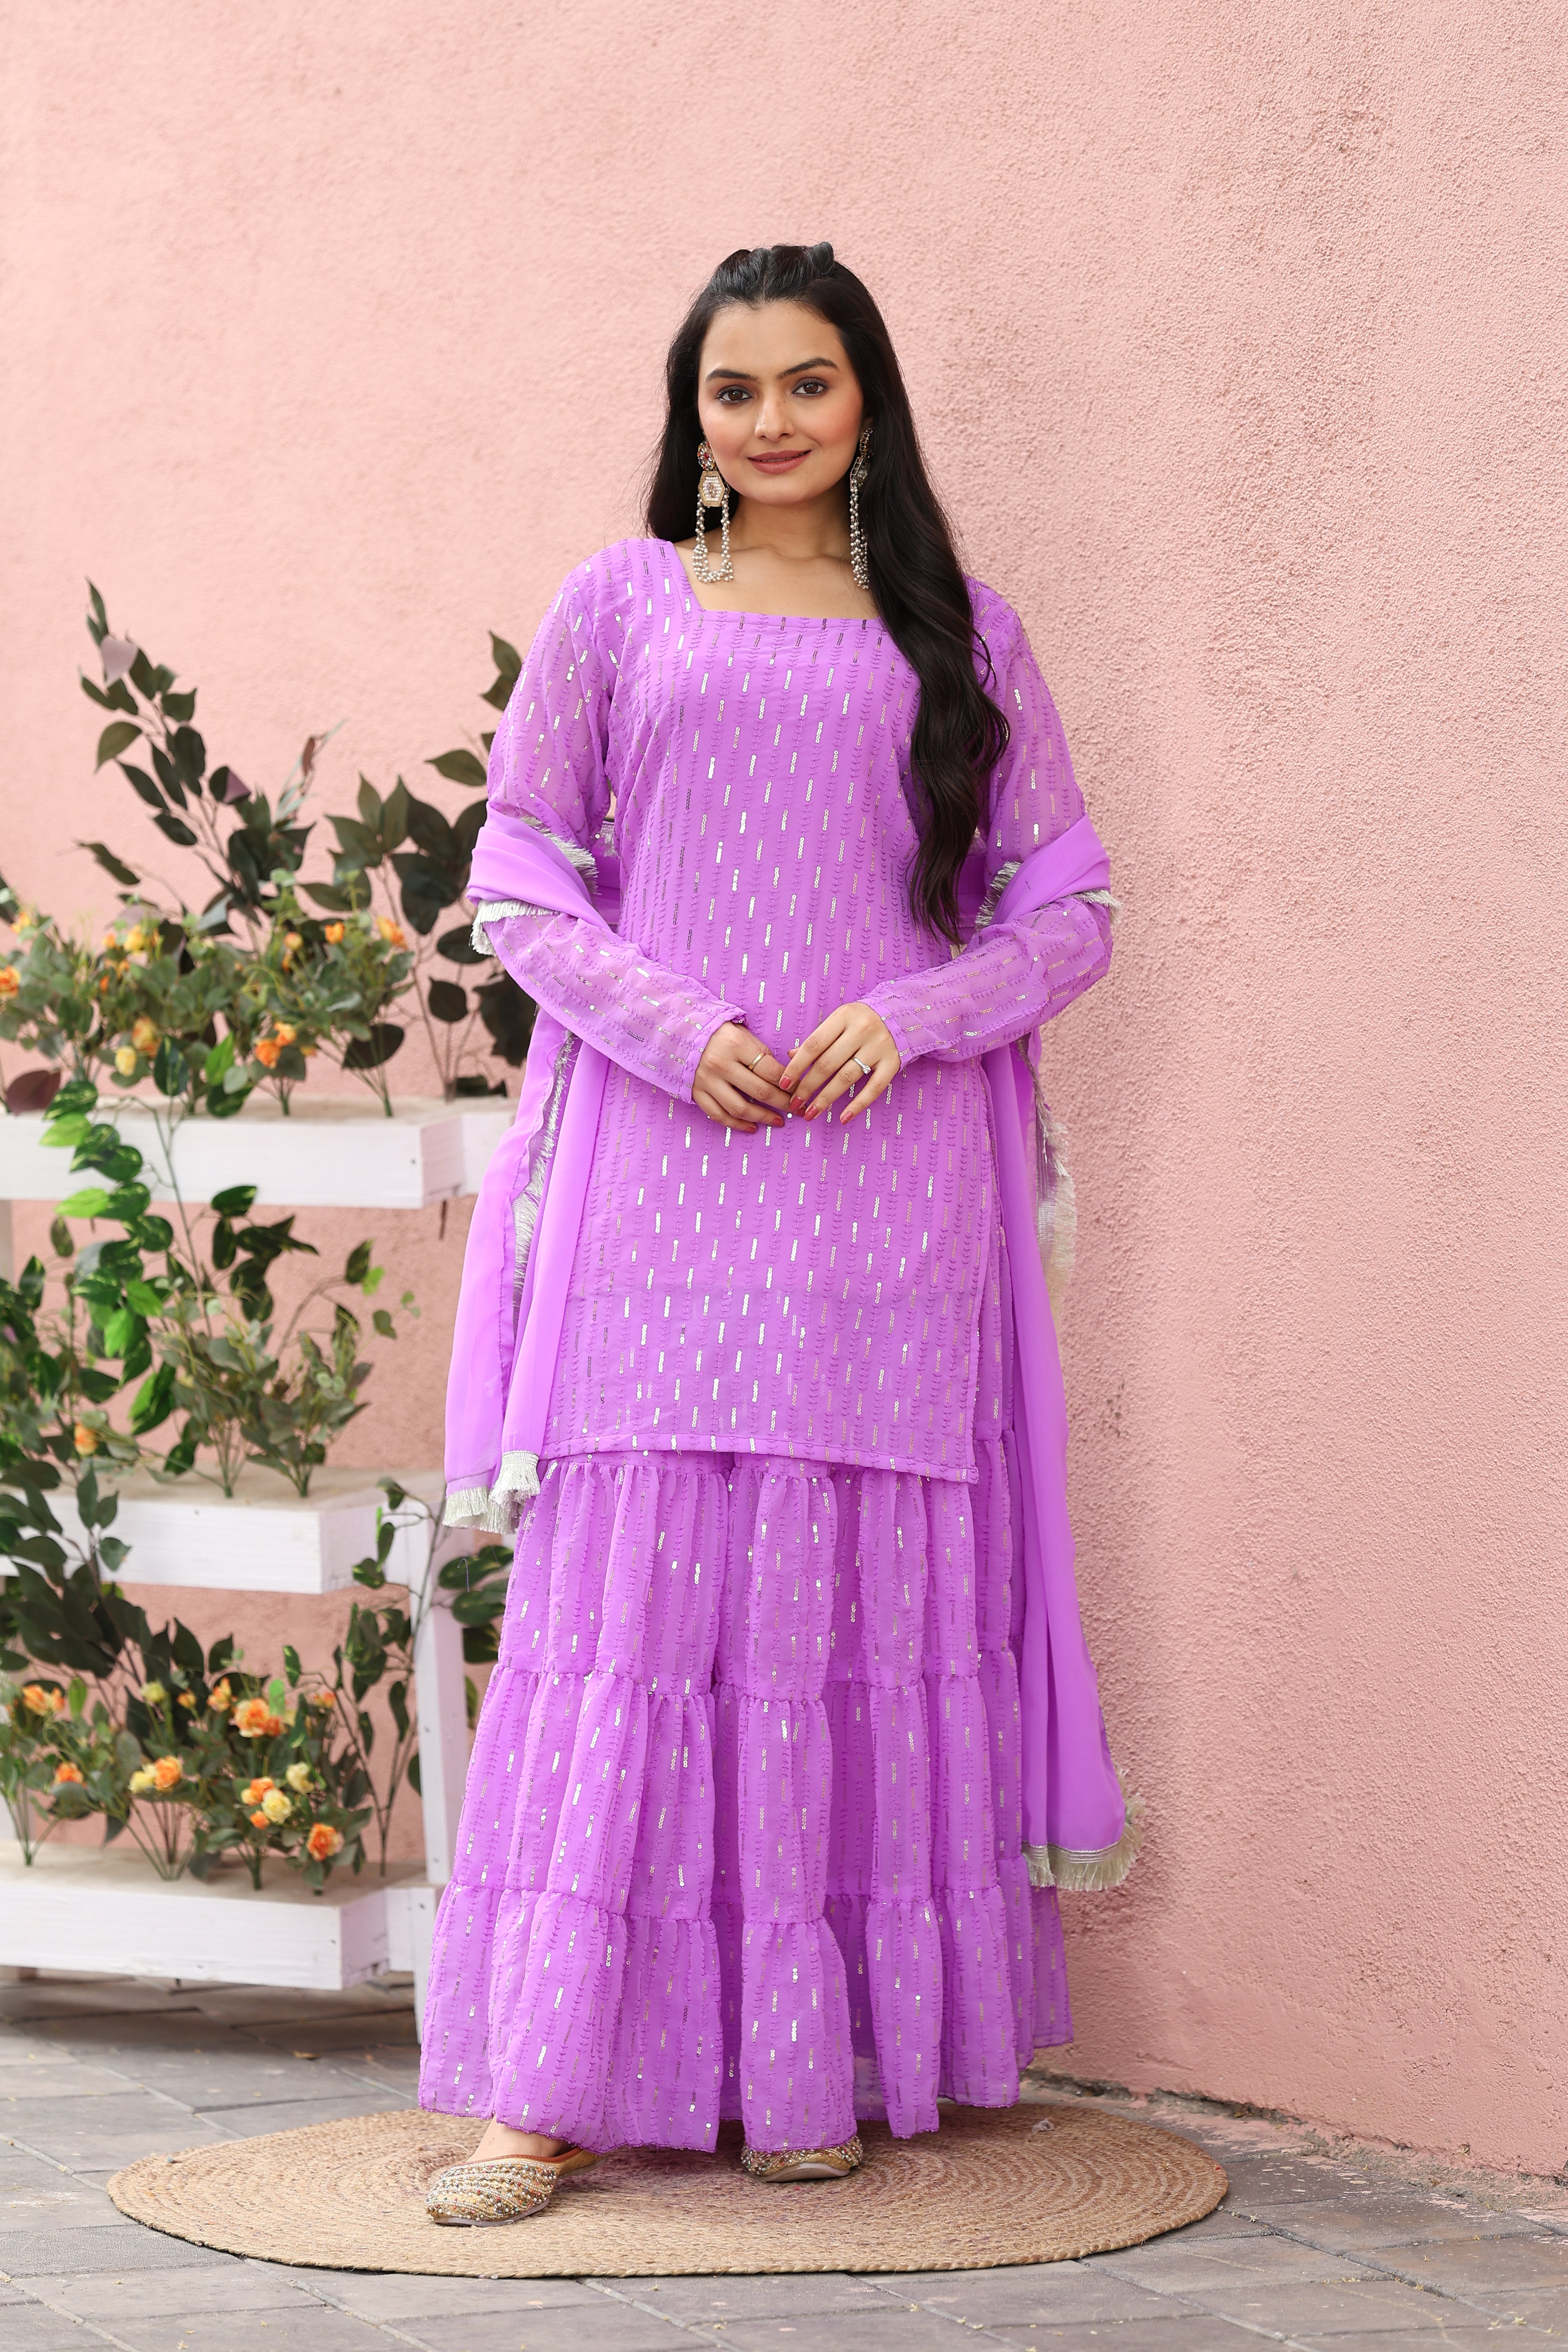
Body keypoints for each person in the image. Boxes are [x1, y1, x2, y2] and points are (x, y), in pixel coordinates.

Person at [418, 242, 1138, 2228]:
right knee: (628, 1619)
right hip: (668, 1173)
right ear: (695, 415)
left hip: (883, 1199)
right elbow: (519, 883)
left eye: (808, 384)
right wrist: (683, 1032)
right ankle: (542, 2102)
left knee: (843, 1618)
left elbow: (1070, 913)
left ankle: (802, 2068)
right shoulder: (620, 604)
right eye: (734, 390)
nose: (771, 421)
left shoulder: (962, 635)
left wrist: (904, 1022)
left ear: (867, 403)